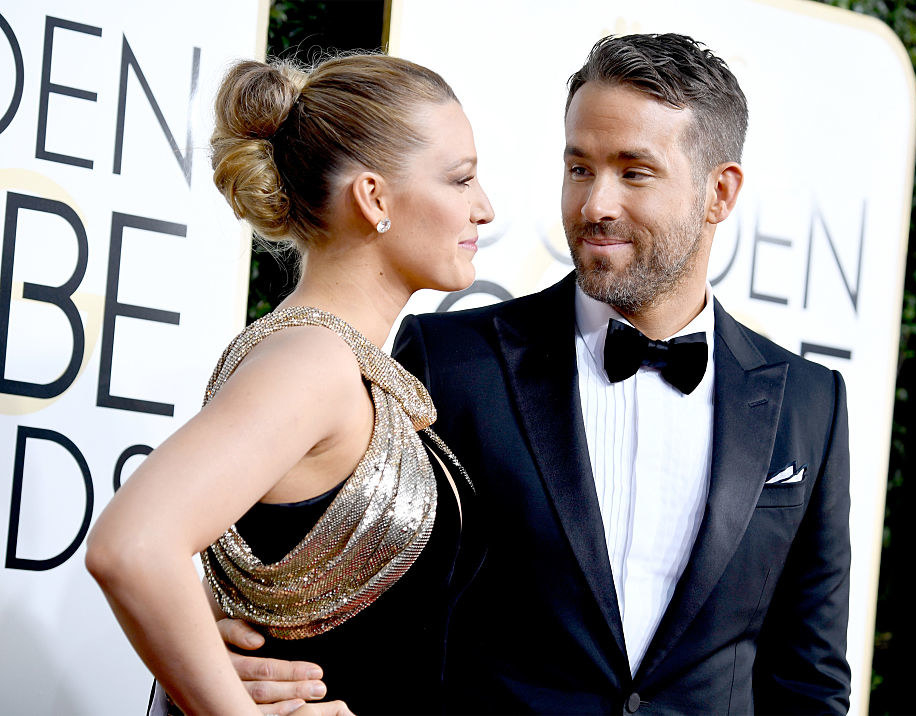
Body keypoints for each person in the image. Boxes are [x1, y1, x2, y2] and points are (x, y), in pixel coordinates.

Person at [220, 33, 852, 714]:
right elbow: (332, 572)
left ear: (718, 192)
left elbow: (809, 681)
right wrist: (226, 650)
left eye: (634, 172)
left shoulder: (808, 404)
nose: (595, 205)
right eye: (579, 168)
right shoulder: (452, 363)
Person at [85, 53, 493, 716]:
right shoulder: (314, 361)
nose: (484, 209)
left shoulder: (325, 356)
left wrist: (210, 661)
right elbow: (131, 546)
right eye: (462, 180)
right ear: (374, 198)